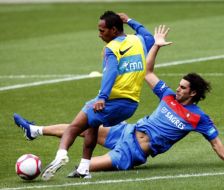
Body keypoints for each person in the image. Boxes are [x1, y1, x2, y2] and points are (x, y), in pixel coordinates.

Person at [14, 25, 224, 177]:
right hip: (126, 131)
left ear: (193, 93)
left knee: (83, 168)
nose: (178, 88)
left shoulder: (198, 117)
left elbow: (215, 142)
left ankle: (45, 169)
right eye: (179, 84)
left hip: (133, 151)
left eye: (183, 87)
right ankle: (35, 130)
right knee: (81, 127)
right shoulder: (167, 95)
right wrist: (155, 46)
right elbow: (147, 72)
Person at [14, 11, 154, 180]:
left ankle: (60, 155)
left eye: (102, 31)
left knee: (74, 128)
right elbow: (149, 37)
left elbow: (110, 73)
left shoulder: (111, 48)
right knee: (91, 127)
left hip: (111, 101)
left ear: (114, 30)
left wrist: (102, 97)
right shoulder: (138, 40)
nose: (99, 34)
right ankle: (83, 169)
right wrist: (130, 20)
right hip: (131, 104)